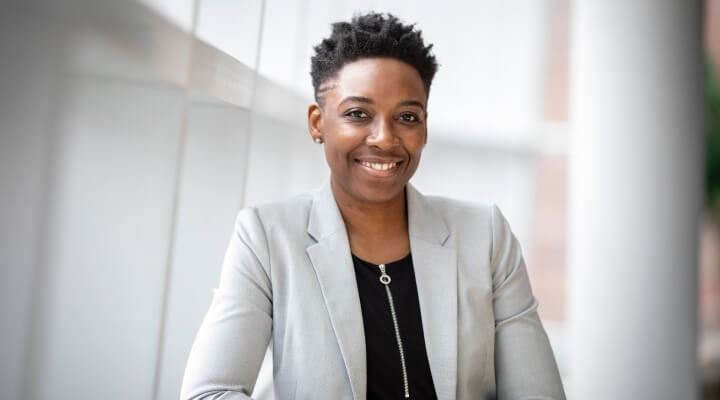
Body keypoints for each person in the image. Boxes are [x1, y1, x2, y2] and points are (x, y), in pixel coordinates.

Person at [181, 12, 565, 400]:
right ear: (318, 123)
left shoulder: (486, 236)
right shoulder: (267, 236)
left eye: (407, 117)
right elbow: (210, 393)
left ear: (425, 128)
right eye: (357, 114)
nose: (384, 138)